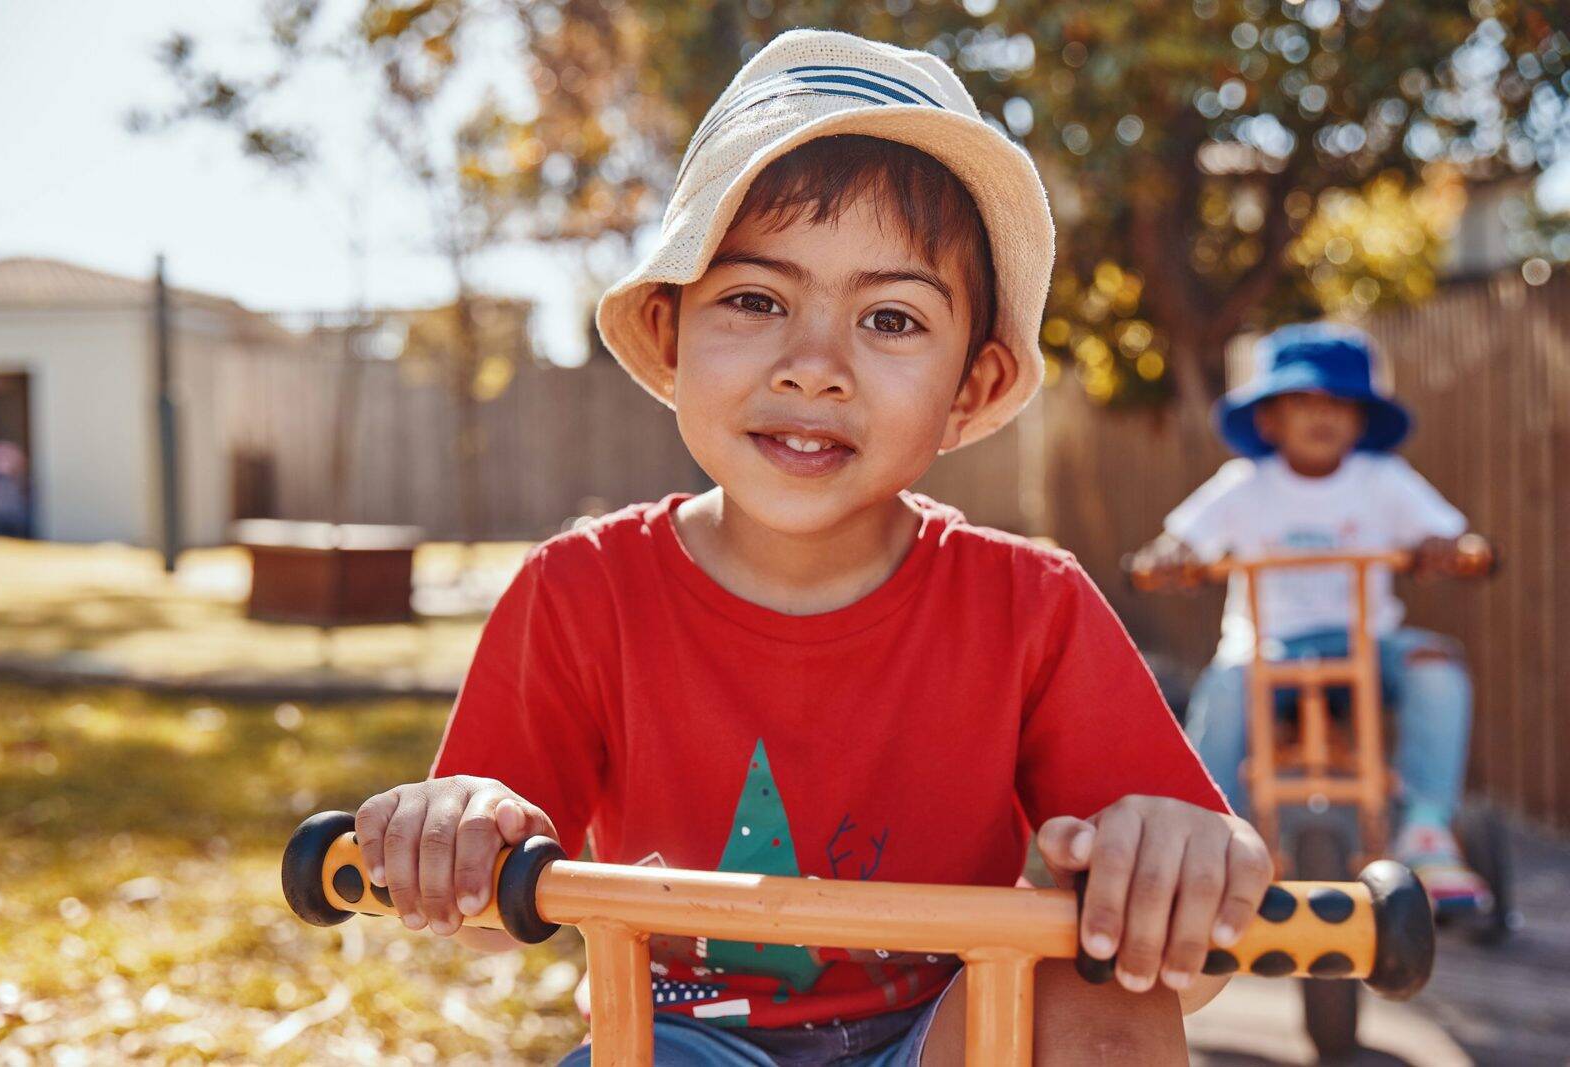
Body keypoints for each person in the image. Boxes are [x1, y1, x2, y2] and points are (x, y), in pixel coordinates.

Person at [353, 30, 1270, 1064]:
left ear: (968, 389)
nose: (813, 366)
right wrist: (458, 824)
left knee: (1104, 999)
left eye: (889, 318)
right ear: (669, 329)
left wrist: (1185, 864)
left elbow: (1197, 957)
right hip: (684, 1038)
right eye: (754, 300)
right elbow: (481, 899)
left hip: (948, 1033)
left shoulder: (1030, 604)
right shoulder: (584, 589)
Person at [1131, 322, 1488, 915]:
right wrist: (1170, 557)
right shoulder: (1245, 486)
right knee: (1223, 689)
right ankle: (1212, 831)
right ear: (1269, 419)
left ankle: (1426, 828)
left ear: (1361, 419)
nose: (1321, 415)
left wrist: (1453, 547)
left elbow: (1449, 533)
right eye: (1302, 402)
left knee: (1436, 663)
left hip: (1366, 644)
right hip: (1269, 648)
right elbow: (1179, 540)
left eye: (1339, 403)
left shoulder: (1383, 480)